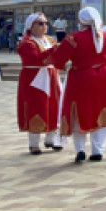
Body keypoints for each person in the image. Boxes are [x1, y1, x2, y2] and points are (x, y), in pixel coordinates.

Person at [52, 7, 106, 163]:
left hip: (82, 77)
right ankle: (97, 150)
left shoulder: (73, 38)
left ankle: (80, 149)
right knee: (101, 110)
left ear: (81, 20)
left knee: (78, 112)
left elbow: (58, 60)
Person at [16, 12, 62, 154]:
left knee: (55, 106)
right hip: (34, 79)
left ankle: (51, 139)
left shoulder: (50, 40)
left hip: (51, 76)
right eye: (40, 23)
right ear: (31, 26)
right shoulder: (26, 42)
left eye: (46, 23)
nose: (44, 26)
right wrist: (56, 50)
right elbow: (36, 59)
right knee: (36, 107)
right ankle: (34, 143)